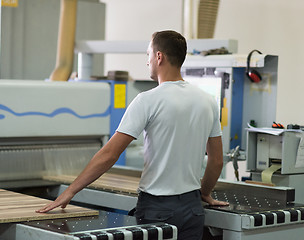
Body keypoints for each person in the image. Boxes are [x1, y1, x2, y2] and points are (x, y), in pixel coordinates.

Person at [37, 30, 229, 239]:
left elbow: (110, 154)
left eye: (148, 54)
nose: (147, 62)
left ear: (159, 56)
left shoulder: (147, 100)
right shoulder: (207, 101)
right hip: (192, 209)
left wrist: (70, 191)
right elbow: (216, 160)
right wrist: (204, 193)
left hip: (158, 207)